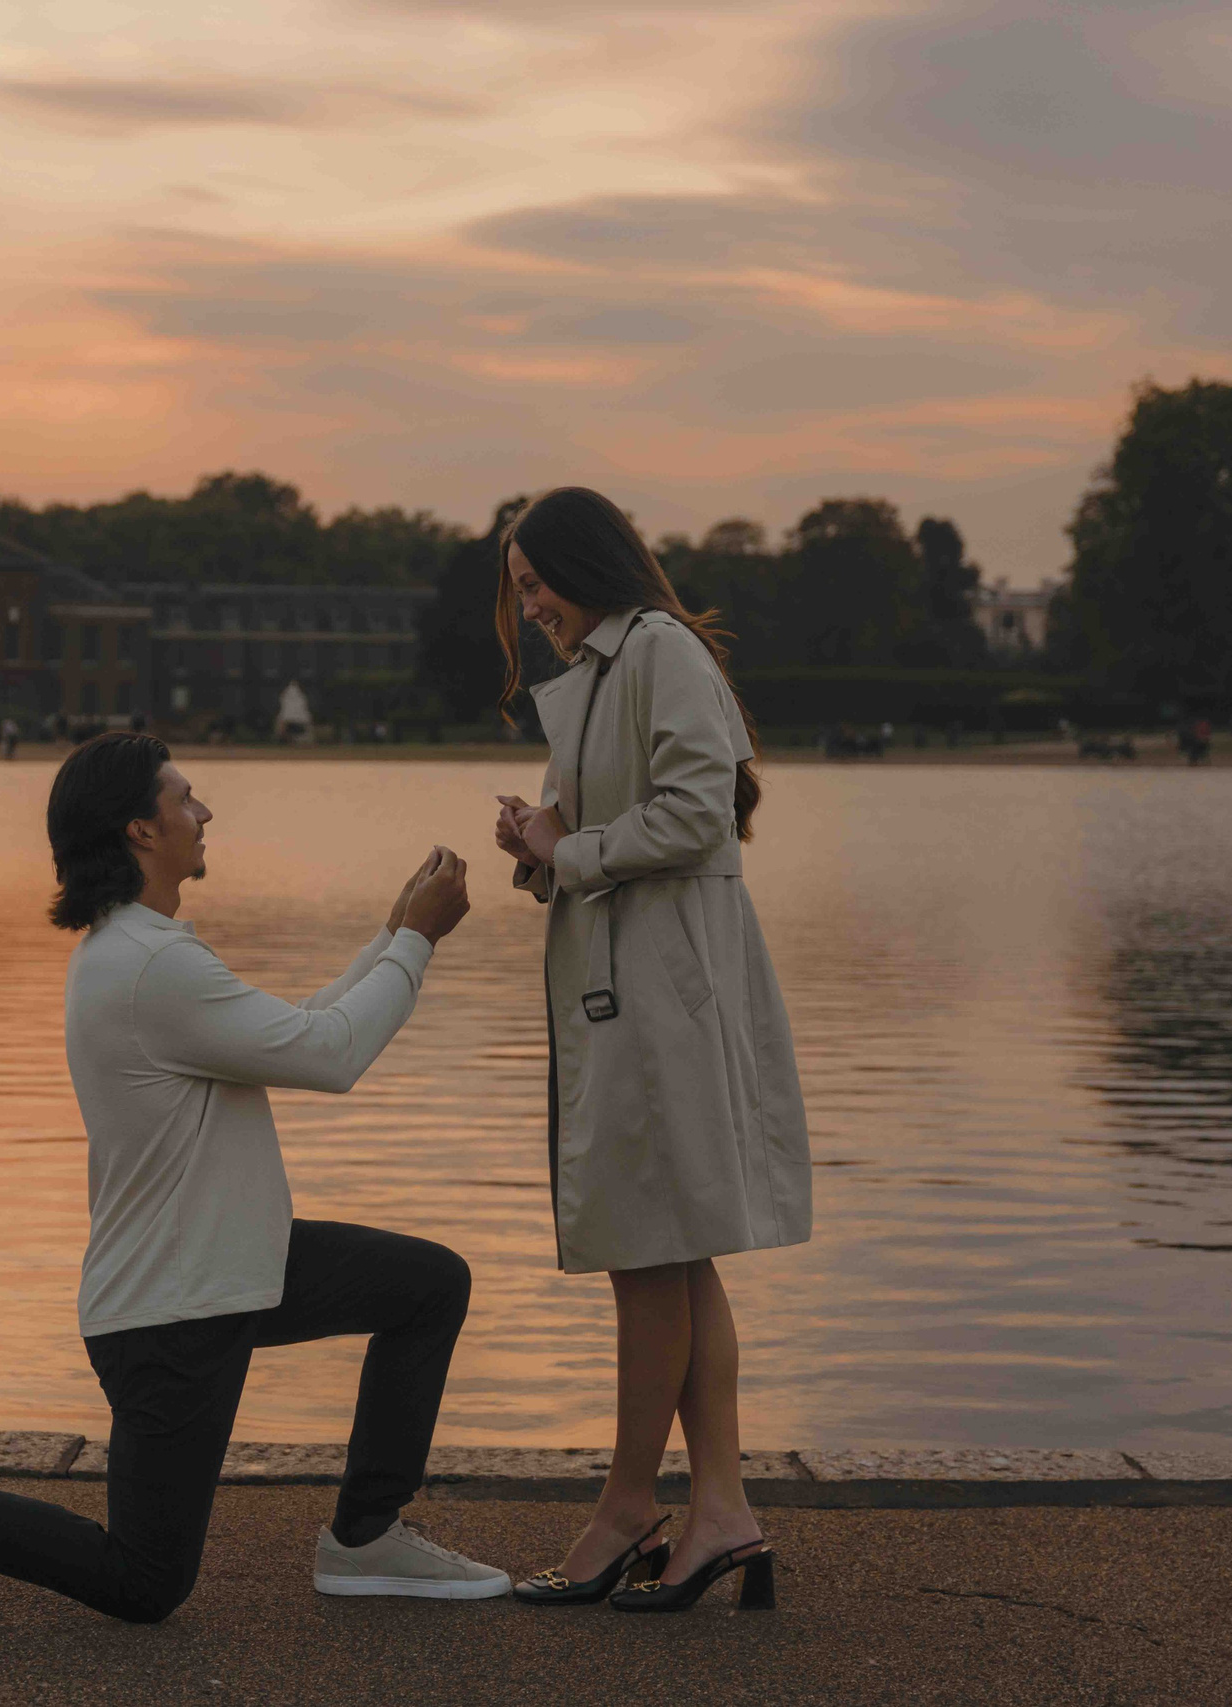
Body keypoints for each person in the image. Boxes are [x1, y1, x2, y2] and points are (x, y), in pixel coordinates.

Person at [0, 732, 505, 1625]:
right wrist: (417, 939)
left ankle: (366, 1534)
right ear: (142, 829)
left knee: (426, 1283)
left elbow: (298, 1028)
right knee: (145, 1581)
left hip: (231, 1264)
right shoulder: (150, 964)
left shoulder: (142, 950)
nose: (204, 812)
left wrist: (391, 930)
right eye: (187, 798)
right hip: (170, 1310)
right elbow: (332, 1056)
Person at [488, 487, 809, 1616]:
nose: (527, 605)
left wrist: (565, 848)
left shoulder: (658, 651)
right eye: (517, 588)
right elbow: (601, 840)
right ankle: (720, 1512)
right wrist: (538, 852)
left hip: (663, 997)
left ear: (587, 564)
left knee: (647, 1253)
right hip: (633, 991)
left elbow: (694, 817)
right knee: (674, 1253)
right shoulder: (597, 675)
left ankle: (629, 1508)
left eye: (536, 581)